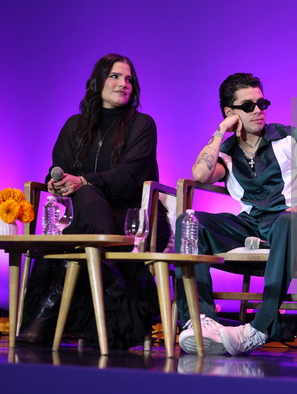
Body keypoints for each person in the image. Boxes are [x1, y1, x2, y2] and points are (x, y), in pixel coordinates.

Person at [18, 54, 171, 349]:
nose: (123, 84)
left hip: (133, 218)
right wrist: (56, 181)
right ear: (98, 81)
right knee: (83, 208)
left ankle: (44, 319)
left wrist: (84, 182)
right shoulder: (75, 125)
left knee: (84, 201)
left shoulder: (142, 124)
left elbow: (131, 173)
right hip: (88, 218)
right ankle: (108, 277)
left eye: (129, 79)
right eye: (115, 76)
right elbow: (59, 165)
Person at [178, 73, 297, 356]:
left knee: (285, 220)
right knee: (189, 222)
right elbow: (199, 173)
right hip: (254, 227)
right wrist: (221, 131)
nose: (258, 111)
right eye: (248, 106)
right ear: (230, 112)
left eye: (262, 103)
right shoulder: (226, 151)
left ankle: (260, 327)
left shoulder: (289, 136)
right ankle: (200, 320)